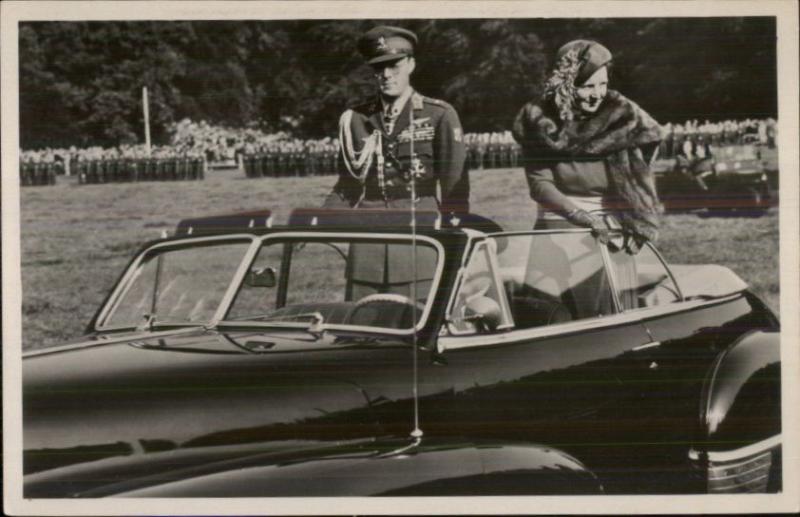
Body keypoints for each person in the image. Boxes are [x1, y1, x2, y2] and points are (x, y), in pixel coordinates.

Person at [512, 40, 664, 254]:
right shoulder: (540, 121)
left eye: (603, 84)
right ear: (566, 86)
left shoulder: (620, 115)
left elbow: (641, 166)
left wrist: (637, 217)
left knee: (616, 287)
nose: (597, 94)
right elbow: (540, 184)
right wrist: (580, 216)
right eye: (587, 86)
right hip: (560, 225)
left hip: (615, 229)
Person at [323, 25, 469, 216]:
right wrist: (317, 221)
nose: (386, 74)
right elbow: (347, 187)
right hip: (368, 227)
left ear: (411, 65)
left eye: (394, 65)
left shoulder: (439, 114)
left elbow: (453, 185)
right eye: (379, 67)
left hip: (421, 226)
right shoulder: (355, 119)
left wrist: (454, 230)